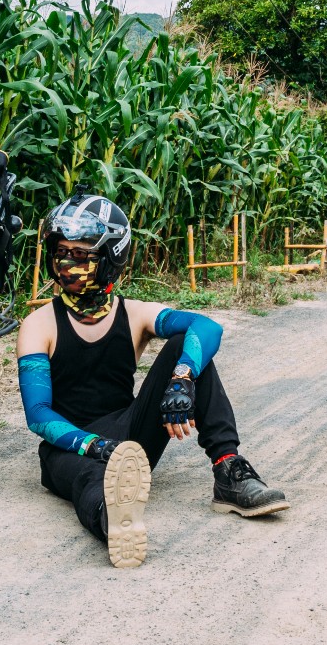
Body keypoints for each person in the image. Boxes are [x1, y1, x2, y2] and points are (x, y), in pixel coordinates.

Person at [16, 193, 288, 568]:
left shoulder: (135, 315)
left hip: (129, 433)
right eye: (61, 252)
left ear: (111, 258)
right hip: (69, 447)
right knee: (89, 479)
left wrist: (182, 378)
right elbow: (38, 415)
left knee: (188, 345)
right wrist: (93, 446)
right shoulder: (38, 325)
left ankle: (228, 469)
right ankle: (113, 521)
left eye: (81, 255)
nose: (67, 264)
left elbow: (206, 326)